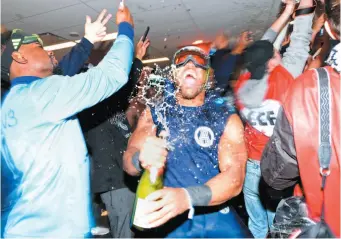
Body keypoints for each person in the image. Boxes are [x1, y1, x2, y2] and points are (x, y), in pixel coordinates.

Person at [1, 5, 134, 237]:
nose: (46, 50)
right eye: (38, 46)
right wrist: (126, 29)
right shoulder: (42, 95)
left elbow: (62, 72)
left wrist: (88, 40)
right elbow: (112, 74)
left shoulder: (13, 103)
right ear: (19, 56)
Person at [123, 46, 251, 238]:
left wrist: (186, 197)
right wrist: (139, 159)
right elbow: (128, 160)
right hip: (167, 221)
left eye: (198, 64)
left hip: (215, 220)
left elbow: (235, 178)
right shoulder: (156, 113)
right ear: (173, 75)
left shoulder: (224, 117)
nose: (190, 65)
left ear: (207, 76)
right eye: (182, 63)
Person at [234, 0, 315, 237]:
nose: (279, 53)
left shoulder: (242, 84)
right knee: (282, 226)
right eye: (276, 54)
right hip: (277, 168)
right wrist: (304, 8)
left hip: (252, 168)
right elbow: (300, 41)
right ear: (271, 62)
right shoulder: (285, 75)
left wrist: (288, 11)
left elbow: (263, 45)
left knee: (257, 226)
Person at [261, 0, 340, 236]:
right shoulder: (289, 78)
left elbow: (277, 176)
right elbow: (297, 48)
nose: (277, 52)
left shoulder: (306, 87)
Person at [78, 37, 150, 238]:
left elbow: (124, 86)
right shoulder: (88, 112)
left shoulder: (111, 105)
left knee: (127, 228)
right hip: (113, 181)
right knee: (124, 231)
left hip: (123, 177)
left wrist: (137, 59)